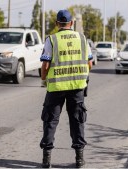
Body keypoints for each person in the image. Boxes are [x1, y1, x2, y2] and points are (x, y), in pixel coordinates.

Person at [39, 9, 93, 168]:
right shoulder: (83, 39)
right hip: (77, 87)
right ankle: (79, 158)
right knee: (77, 121)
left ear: (57, 23)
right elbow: (89, 64)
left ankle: (46, 159)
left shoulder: (52, 40)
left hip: (55, 88)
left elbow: (45, 64)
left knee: (50, 121)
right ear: (72, 23)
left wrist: (43, 78)